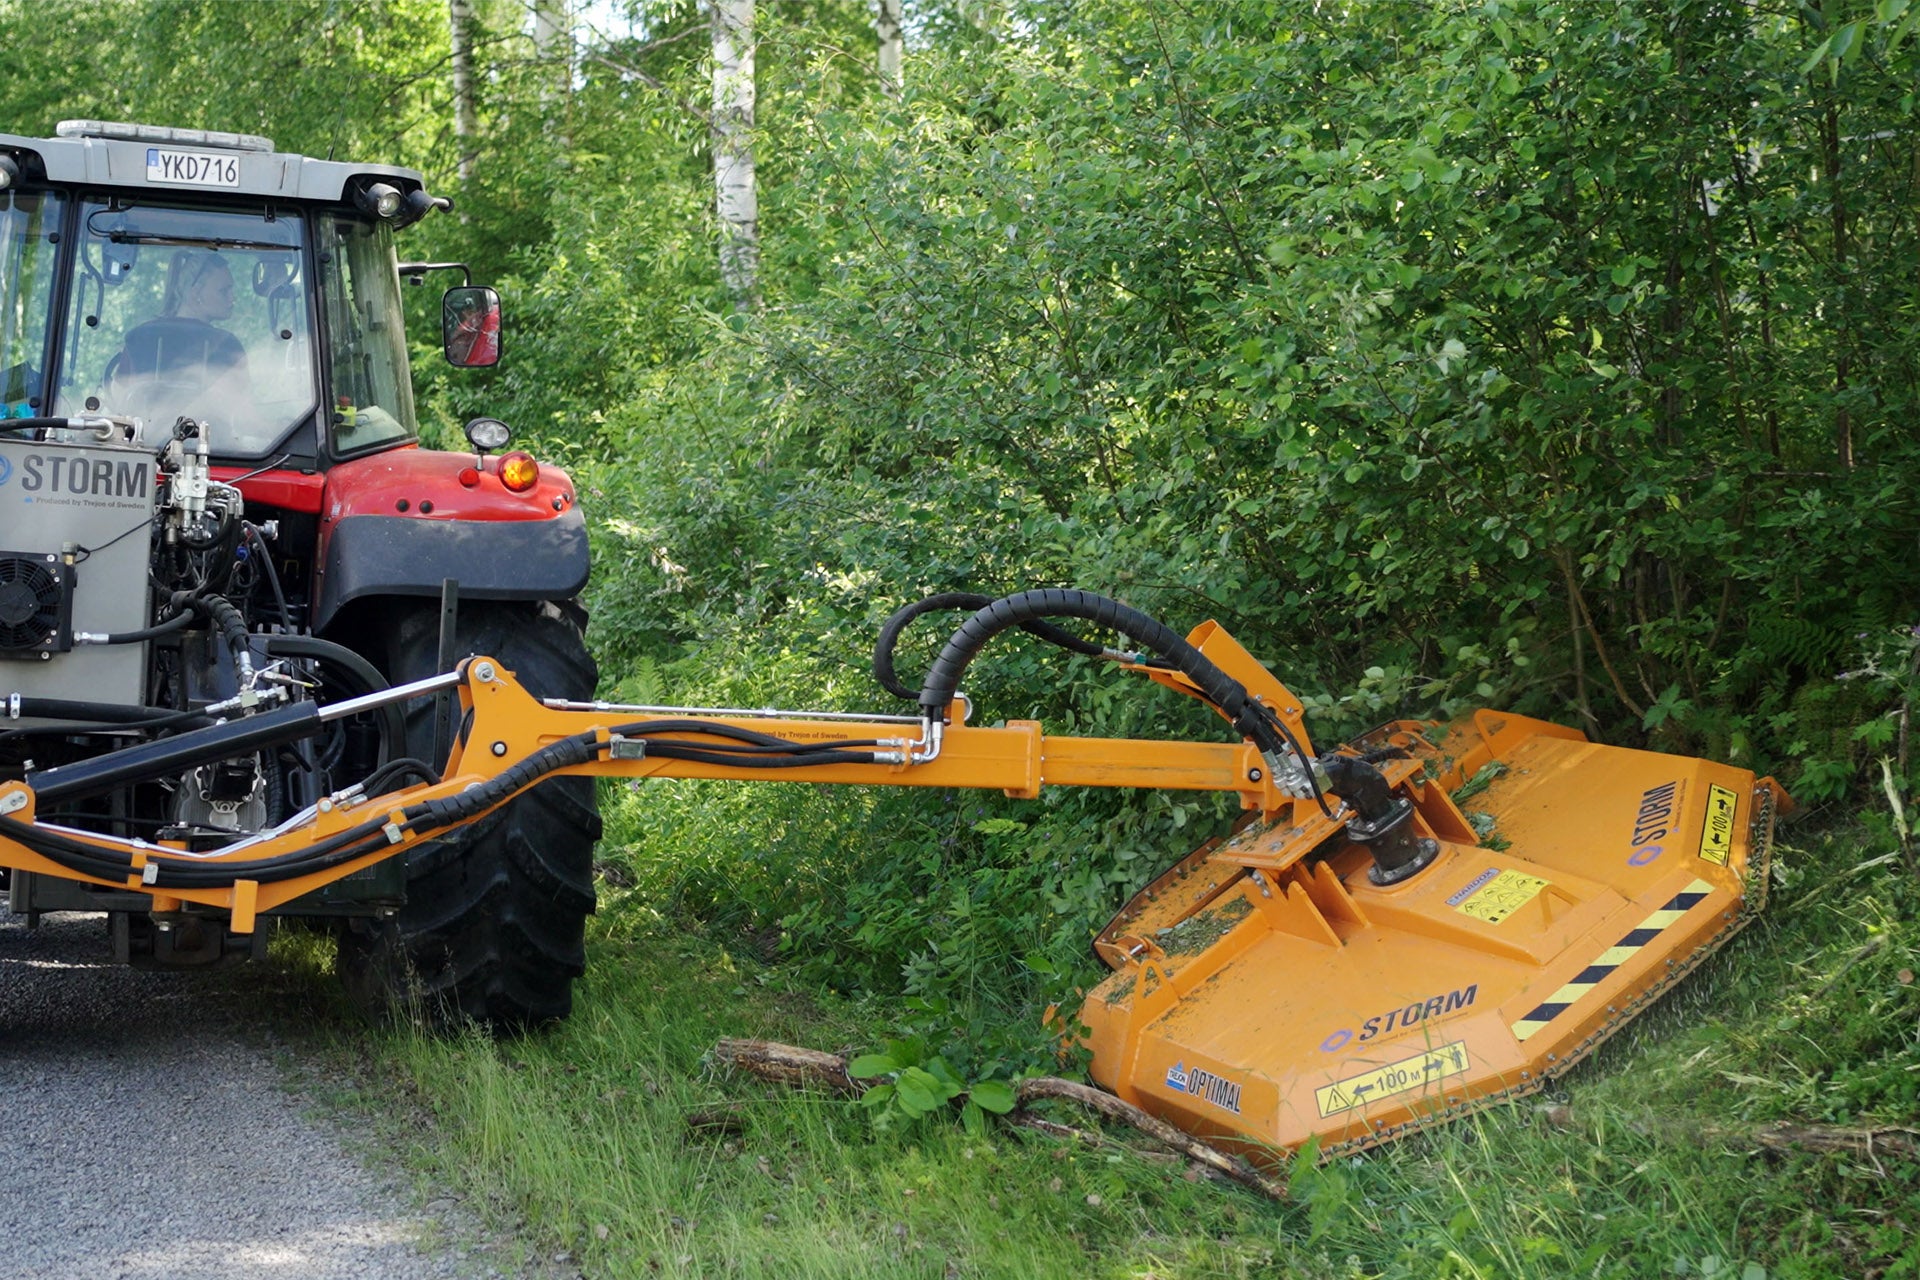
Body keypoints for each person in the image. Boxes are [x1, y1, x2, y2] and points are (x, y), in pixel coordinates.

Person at [112, 250, 250, 426]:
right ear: (195, 293)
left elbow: (119, 403)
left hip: (144, 439)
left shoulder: (138, 337)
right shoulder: (227, 345)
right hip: (211, 441)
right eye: (224, 291)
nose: (233, 297)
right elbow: (243, 415)